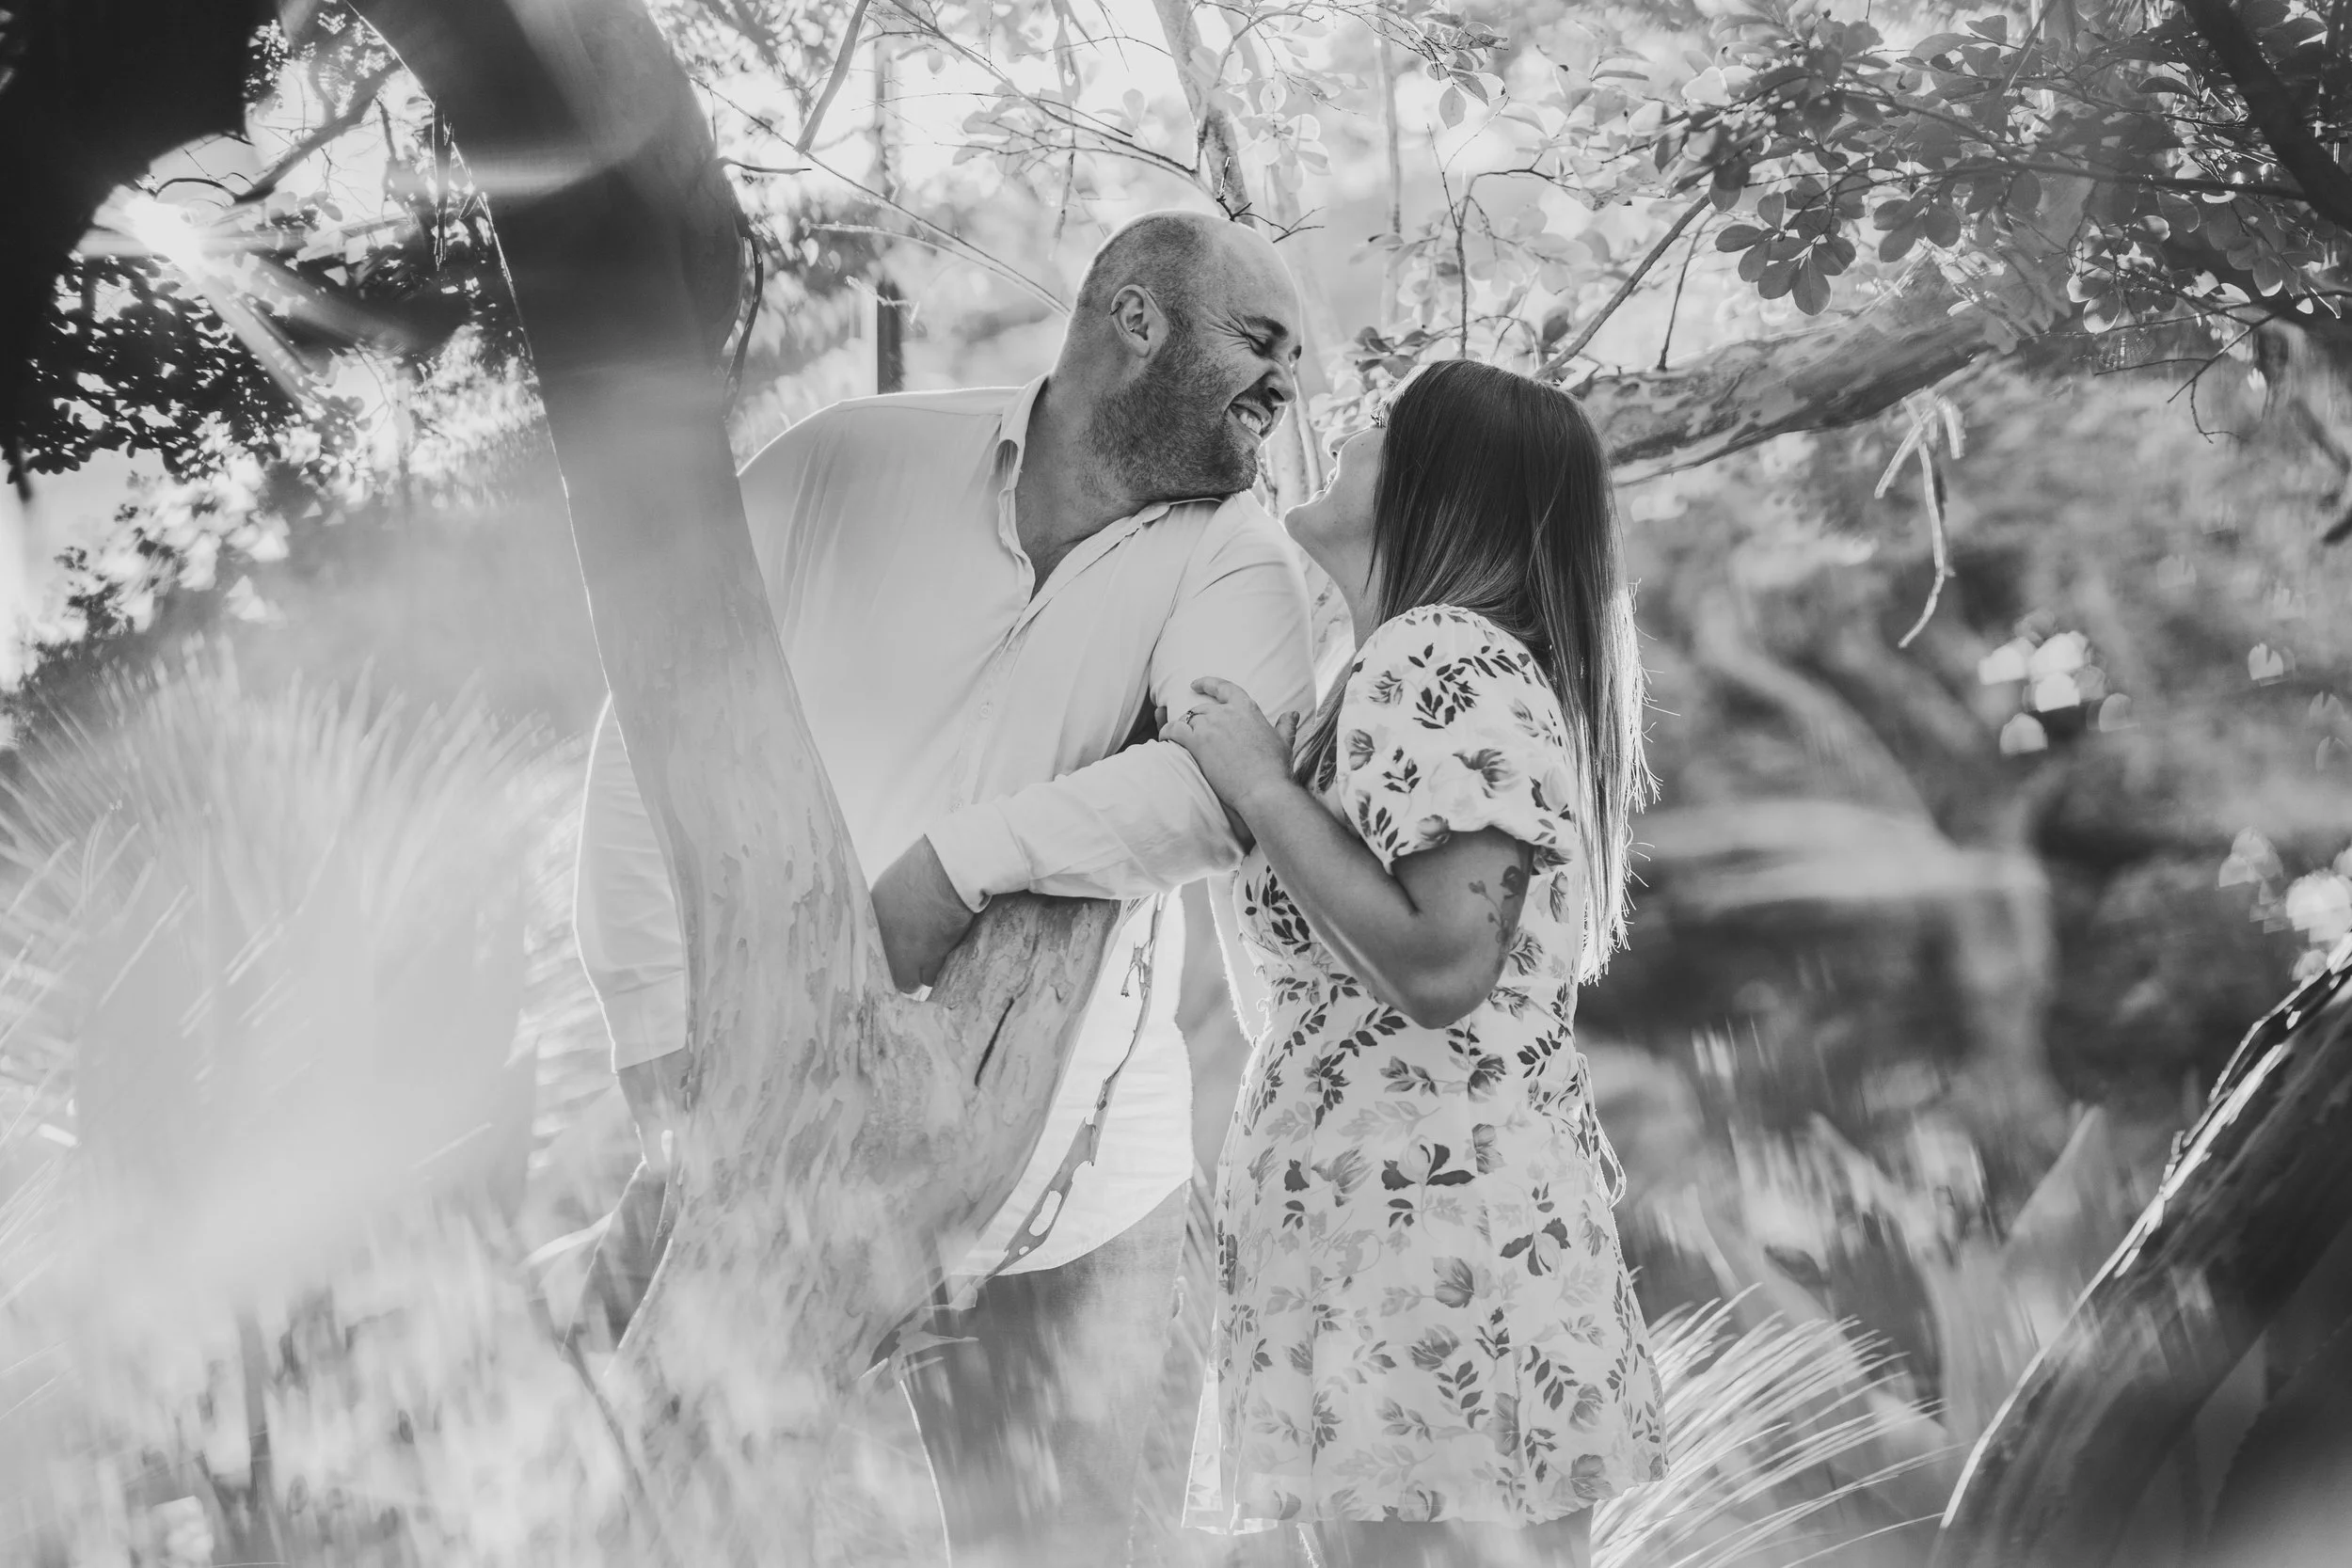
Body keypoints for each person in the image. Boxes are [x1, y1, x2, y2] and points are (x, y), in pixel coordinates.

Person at [570, 210, 1318, 1567]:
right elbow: (654, 724)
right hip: (770, 1153)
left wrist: (960, 861)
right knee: (636, 1515)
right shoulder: (843, 464)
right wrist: (653, 1035)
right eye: (1261, 345)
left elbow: (1217, 794)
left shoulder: (1239, 557)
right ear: (1137, 319)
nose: (1291, 389)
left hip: (1081, 1227)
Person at [1164, 358, 1666, 1568]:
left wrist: (1258, 784)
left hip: (1427, 1251)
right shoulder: (1412, 671)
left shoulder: (1437, 655)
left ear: (1437, 487)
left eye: (1381, 428)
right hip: (1413, 1237)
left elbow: (1445, 963)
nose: (1343, 433)